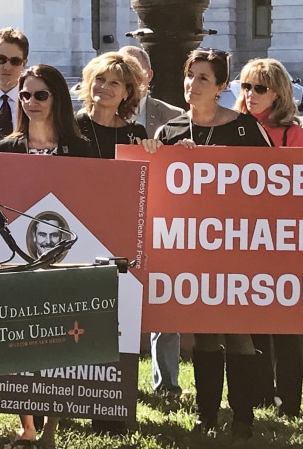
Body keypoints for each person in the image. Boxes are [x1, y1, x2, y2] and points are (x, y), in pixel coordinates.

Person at [141, 47, 271, 440]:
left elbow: (274, 188)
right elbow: (160, 191)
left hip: (239, 245)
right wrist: (155, 154)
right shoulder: (171, 130)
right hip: (192, 248)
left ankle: (244, 416)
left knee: (237, 330)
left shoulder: (246, 129)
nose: (192, 85)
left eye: (203, 78)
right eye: (188, 76)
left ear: (221, 87)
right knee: (205, 331)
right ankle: (207, 413)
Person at [0, 64, 91, 449]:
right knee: (22, 339)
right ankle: (28, 427)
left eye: (40, 95)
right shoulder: (5, 149)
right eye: (25, 95)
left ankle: (51, 428)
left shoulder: (81, 148)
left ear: (57, 99)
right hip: (18, 256)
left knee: (60, 341)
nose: (31, 102)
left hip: (68, 256)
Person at [234, 57, 303, 418]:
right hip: (243, 238)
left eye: (259, 88)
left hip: (282, 239)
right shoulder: (234, 128)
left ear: (278, 93)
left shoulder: (291, 133)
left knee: (284, 324)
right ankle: (262, 393)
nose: (250, 94)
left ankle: (290, 401)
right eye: (245, 86)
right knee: (252, 320)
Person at [120, 45, 185, 400]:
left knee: (166, 306)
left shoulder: (174, 116)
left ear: (148, 76)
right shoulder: (100, 113)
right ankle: (121, 383)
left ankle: (168, 384)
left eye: (134, 70)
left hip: (163, 223)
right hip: (119, 222)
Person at [75, 52, 148, 160]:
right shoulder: (72, 127)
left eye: (114, 83)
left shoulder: (135, 134)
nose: (104, 86)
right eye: (100, 79)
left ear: (127, 92)